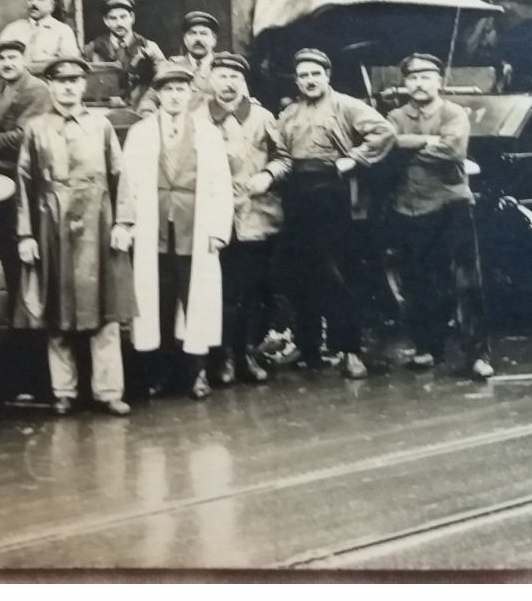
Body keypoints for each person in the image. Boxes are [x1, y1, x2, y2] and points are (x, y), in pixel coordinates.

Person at [252, 48, 394, 380]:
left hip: (333, 195)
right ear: (297, 80)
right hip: (297, 196)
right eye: (303, 75)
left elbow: (384, 132)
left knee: (336, 274)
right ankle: (308, 345)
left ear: (327, 75)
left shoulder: (347, 105)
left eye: (316, 73)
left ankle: (350, 350)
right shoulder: (288, 114)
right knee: (299, 273)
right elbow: (283, 155)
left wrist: (355, 158)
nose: (310, 80)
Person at [13, 57, 135, 416]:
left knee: (106, 311)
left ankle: (108, 391)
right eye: (61, 81)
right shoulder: (35, 128)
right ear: (50, 85)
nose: (68, 87)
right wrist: (25, 235)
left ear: (85, 85)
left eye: (75, 80)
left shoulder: (101, 126)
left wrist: (123, 224)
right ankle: (63, 391)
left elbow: (119, 176)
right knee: (57, 313)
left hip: (99, 223)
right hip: (52, 227)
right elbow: (24, 183)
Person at [121, 65, 233, 400]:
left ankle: (197, 372)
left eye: (180, 90)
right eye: (168, 91)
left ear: (189, 94)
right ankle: (162, 373)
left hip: (194, 228)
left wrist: (217, 230)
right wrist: (126, 223)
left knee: (196, 298)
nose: (174, 96)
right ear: (158, 95)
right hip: (153, 228)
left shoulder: (207, 133)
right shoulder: (140, 133)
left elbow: (220, 185)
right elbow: (127, 182)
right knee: (159, 299)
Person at [385, 53, 492, 381]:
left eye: (426, 77)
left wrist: (409, 148)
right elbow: (386, 147)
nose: (419, 84)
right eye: (412, 78)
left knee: (465, 282)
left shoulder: (453, 112)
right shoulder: (395, 115)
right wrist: (424, 141)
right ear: (405, 83)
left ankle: (477, 356)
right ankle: (426, 349)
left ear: (439, 82)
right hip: (410, 207)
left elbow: (452, 150)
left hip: (451, 205)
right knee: (419, 281)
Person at [204, 52, 281, 385]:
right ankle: (221, 357)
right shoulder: (199, 118)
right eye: (221, 75)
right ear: (210, 81)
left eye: (235, 76)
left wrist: (269, 174)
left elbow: (284, 157)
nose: (228, 82)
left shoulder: (262, 117)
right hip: (216, 220)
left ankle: (245, 353)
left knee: (251, 291)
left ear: (243, 82)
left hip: (255, 216)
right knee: (221, 292)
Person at [0, 37, 53, 170]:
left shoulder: (36, 89)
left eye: (12, 58)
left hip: (25, 164)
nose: (6, 64)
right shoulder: (3, 87)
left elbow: (26, 135)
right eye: (0, 59)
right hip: (2, 155)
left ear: (24, 60)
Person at [82, 0, 166, 105]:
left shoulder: (149, 47)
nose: (119, 23)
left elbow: (164, 81)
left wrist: (148, 103)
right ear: (106, 21)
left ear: (132, 17)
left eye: (123, 17)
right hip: (104, 111)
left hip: (141, 111)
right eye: (113, 18)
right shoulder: (92, 49)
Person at [0, 0, 80, 64]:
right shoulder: (13, 29)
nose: (33, 3)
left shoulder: (63, 30)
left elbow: (69, 64)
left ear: (52, 5)